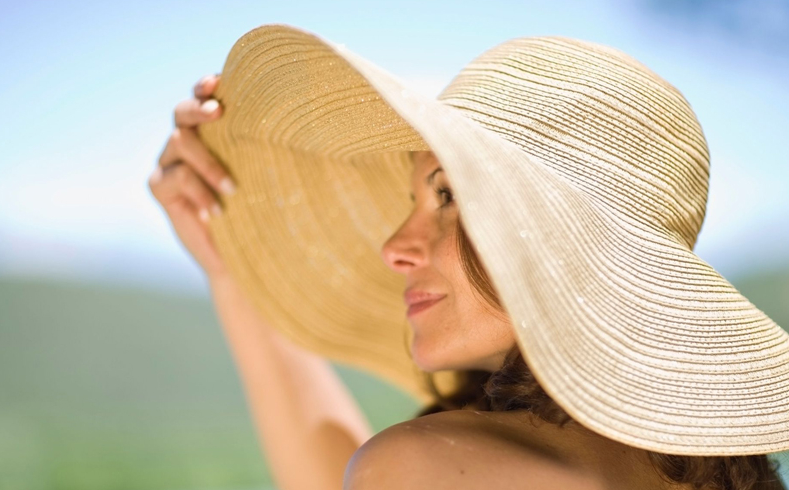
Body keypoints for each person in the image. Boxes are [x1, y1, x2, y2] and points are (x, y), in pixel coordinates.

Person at [148, 26, 789, 490]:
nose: (394, 247)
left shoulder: (423, 468)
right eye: (414, 200)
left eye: (449, 195)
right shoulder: (704, 476)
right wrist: (229, 267)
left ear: (567, 240)